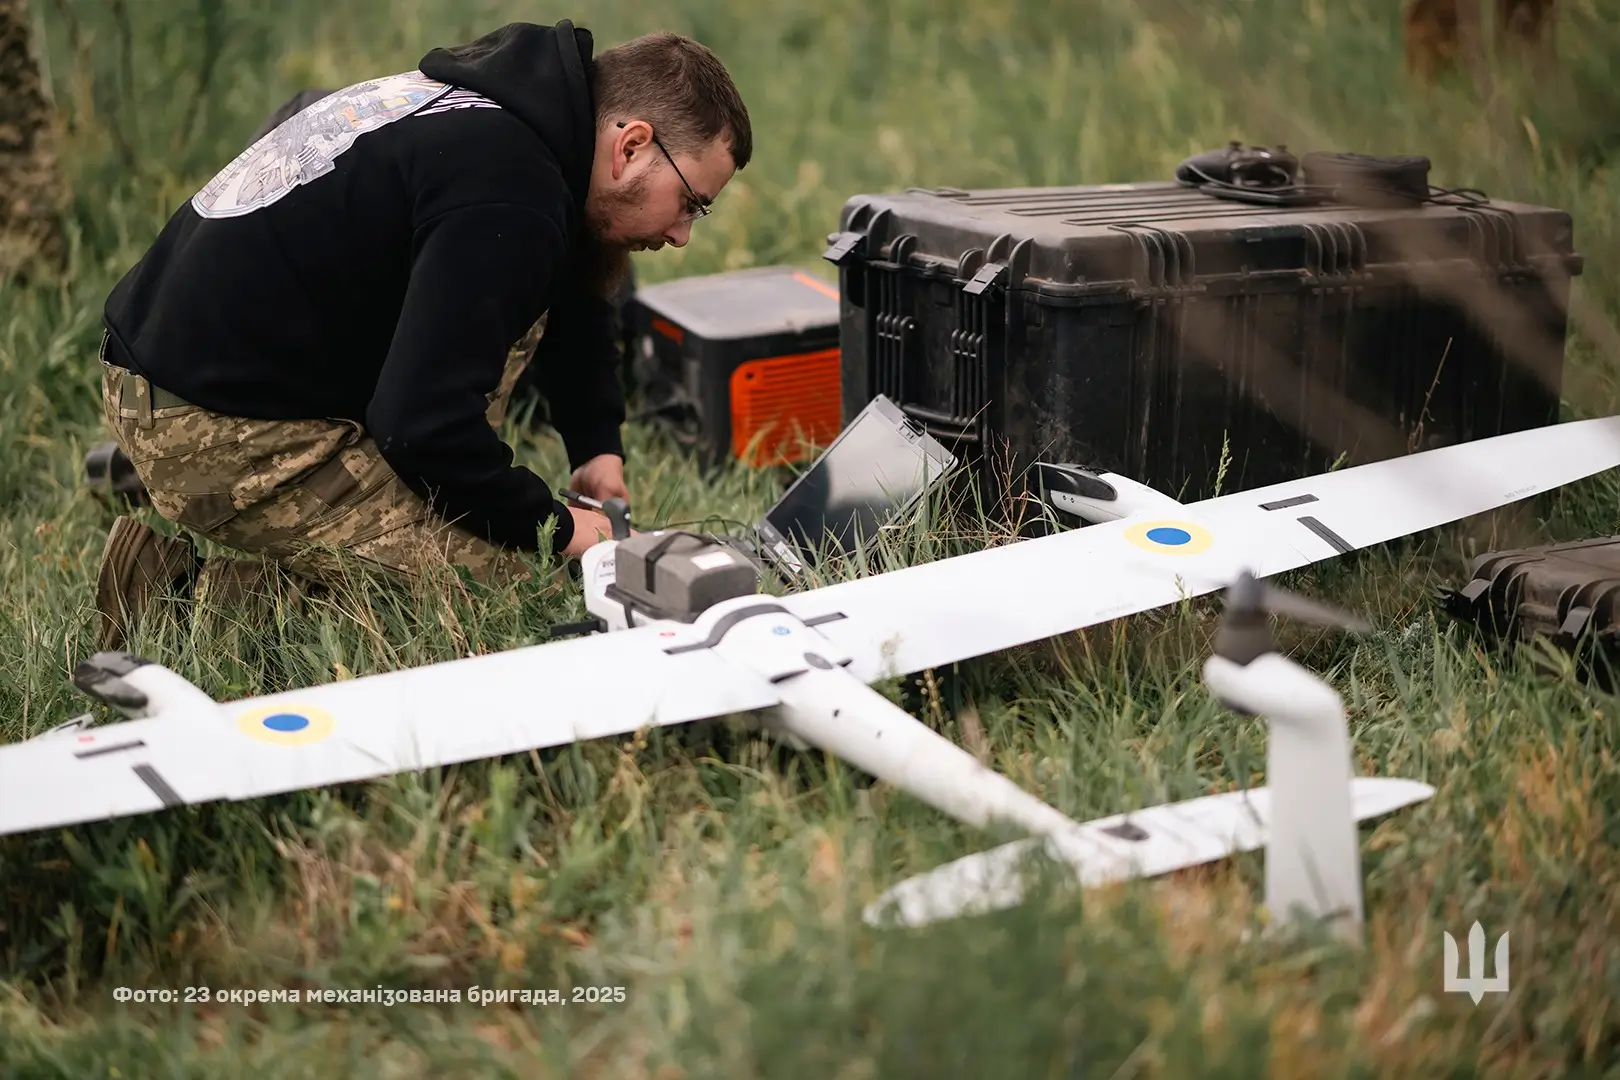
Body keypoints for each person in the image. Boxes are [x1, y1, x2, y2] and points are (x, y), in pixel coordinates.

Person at [91, 20, 752, 649]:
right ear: (631, 145)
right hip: (206, 420)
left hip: (180, 369)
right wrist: (557, 528)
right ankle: (167, 594)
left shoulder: (517, 113)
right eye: (691, 203)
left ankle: (261, 485)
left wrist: (595, 448)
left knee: (523, 306)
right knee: (507, 586)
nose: (681, 234)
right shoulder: (511, 192)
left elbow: (576, 287)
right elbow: (423, 425)